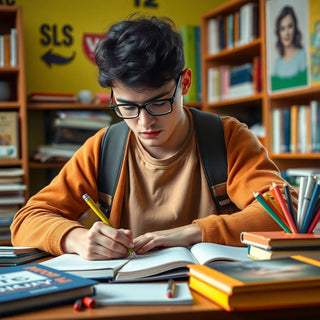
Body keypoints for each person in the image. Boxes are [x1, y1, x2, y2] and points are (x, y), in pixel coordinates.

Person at [11, 14, 298, 260]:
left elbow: (288, 211)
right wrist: (75, 238)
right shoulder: (103, 148)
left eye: (159, 103)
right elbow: (26, 220)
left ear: (183, 83)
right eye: (127, 107)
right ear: (112, 96)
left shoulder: (227, 137)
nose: (144, 121)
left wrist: (194, 233)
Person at [271, 5, 308, 91]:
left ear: (295, 28)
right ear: (279, 32)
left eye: (290, 26)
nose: (286, 33)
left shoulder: (303, 56)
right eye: (282, 29)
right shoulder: (277, 63)